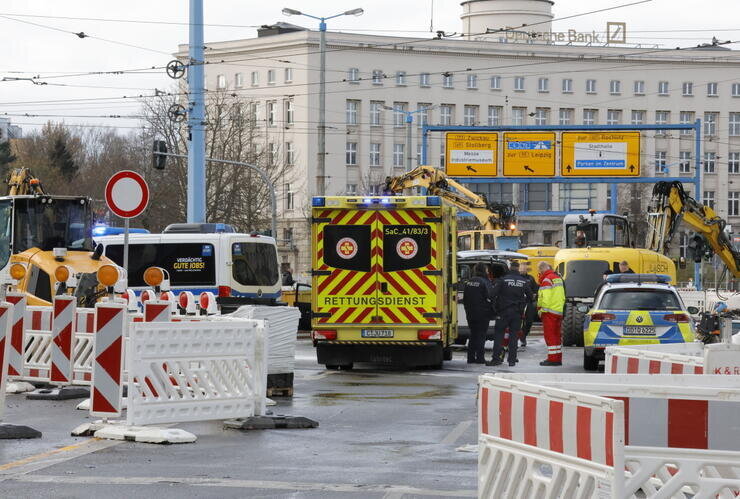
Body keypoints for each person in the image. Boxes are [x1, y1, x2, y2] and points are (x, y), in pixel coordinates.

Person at [487, 261, 532, 367]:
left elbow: (492, 295)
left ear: (510, 267)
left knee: (499, 335)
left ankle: (496, 359)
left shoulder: (503, 280)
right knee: (513, 336)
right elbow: (530, 297)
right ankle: (511, 360)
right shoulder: (523, 281)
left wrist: (495, 307)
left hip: (503, 312)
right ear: (518, 268)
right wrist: (522, 304)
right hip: (517, 313)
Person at [463, 262, 496, 364]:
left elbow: (465, 299)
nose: (487, 271)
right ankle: (480, 358)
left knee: (473, 335)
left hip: (470, 313)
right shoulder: (485, 282)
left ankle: (470, 357)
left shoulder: (469, 282)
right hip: (482, 313)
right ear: (483, 270)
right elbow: (490, 296)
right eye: (486, 270)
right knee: (481, 335)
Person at [537, 261, 566, 366]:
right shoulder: (556, 277)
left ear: (541, 269)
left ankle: (553, 359)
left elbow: (546, 297)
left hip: (549, 312)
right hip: (558, 311)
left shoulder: (547, 279)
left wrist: (541, 310)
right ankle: (557, 358)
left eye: (539, 271)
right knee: (557, 336)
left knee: (550, 336)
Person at [518, 261, 539, 348]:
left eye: (524, 268)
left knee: (529, 321)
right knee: (518, 322)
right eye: (521, 268)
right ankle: (517, 338)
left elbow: (536, 289)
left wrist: (535, 294)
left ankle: (523, 336)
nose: (523, 269)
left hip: (529, 303)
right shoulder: (517, 278)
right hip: (519, 303)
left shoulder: (530, 278)